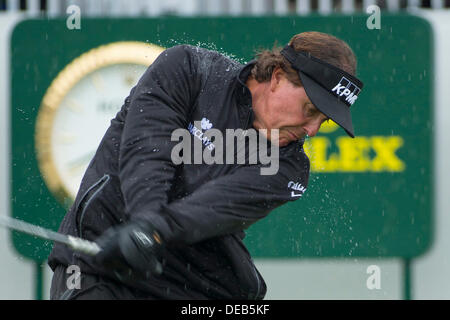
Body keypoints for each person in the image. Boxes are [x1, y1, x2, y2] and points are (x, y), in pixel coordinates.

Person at [48, 31, 363, 300]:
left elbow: (215, 206)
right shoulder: (186, 68)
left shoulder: (289, 168)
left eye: (324, 120)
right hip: (99, 263)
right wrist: (143, 223)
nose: (312, 130)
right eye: (310, 109)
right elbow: (147, 151)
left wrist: (150, 232)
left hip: (188, 287)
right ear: (278, 77)